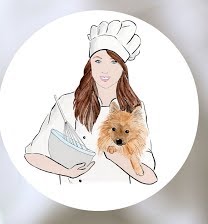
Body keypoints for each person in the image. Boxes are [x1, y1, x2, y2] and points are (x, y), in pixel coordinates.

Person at [24, 19, 156, 184]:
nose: (105, 69)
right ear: (90, 65)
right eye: (98, 60)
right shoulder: (67, 103)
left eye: (114, 62)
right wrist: (67, 172)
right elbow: (33, 154)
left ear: (123, 69)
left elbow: (149, 176)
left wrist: (115, 157)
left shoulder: (134, 108)